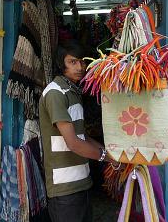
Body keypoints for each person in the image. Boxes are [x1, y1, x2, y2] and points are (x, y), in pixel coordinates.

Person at [39, 41, 120, 222]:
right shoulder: (55, 93)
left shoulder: (73, 92)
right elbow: (73, 143)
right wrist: (107, 157)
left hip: (81, 183)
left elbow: (83, 137)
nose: (80, 67)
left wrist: (109, 153)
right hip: (64, 189)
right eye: (72, 62)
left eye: (82, 62)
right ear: (61, 64)